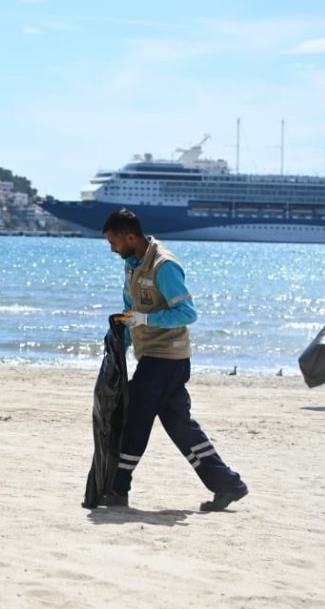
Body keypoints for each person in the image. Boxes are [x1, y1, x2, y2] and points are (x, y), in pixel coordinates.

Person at [99, 208, 248, 512]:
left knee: (134, 419)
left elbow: (188, 313)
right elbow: (131, 314)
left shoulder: (164, 266)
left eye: (114, 242)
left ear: (130, 236)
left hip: (167, 358)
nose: (112, 249)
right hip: (153, 357)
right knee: (180, 425)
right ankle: (227, 484)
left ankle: (118, 487)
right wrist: (121, 342)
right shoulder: (131, 265)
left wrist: (145, 319)